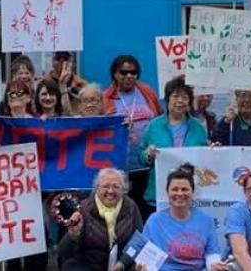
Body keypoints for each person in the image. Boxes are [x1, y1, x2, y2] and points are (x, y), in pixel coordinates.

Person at [102, 55, 163, 219]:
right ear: (115, 74)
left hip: (148, 167)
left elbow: (160, 118)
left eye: (133, 72)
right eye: (124, 72)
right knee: (124, 215)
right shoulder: (106, 98)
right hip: (123, 169)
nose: (129, 76)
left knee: (146, 213)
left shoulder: (147, 92)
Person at [142, 77, 209, 213]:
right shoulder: (153, 126)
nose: (179, 101)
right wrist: (148, 154)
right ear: (167, 100)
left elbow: (205, 156)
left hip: (189, 195)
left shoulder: (198, 127)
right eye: (175, 96)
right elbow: (140, 155)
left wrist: (213, 150)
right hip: (158, 195)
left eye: (184, 97)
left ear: (189, 102)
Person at [142, 165, 227, 271]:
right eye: (175, 189)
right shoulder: (154, 221)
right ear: (167, 192)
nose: (180, 193)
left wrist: (214, 265)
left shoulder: (206, 220)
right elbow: (146, 258)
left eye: (184, 189)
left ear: (193, 193)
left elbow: (212, 253)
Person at [58, 168, 144, 271]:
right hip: (89, 266)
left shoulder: (131, 207)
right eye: (105, 186)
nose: (110, 191)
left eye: (116, 186)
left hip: (121, 265)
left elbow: (138, 240)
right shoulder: (83, 209)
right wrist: (72, 234)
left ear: (123, 190)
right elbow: (62, 251)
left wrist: (122, 263)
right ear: (97, 188)